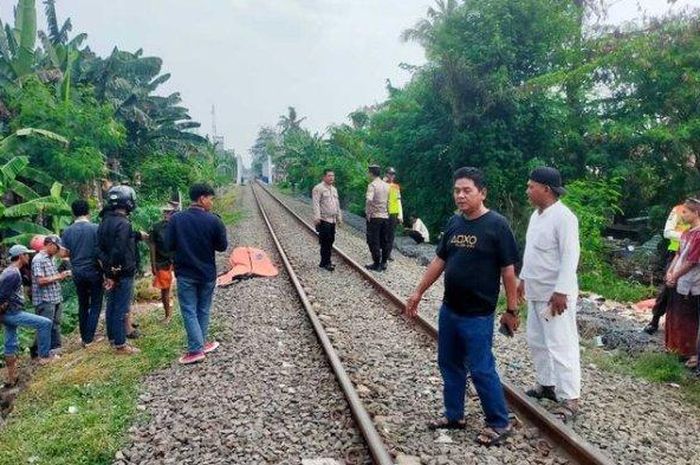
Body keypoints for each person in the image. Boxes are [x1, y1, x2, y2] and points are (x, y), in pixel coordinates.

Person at [405, 167, 519, 447]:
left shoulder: (497, 225)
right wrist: (418, 292)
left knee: (481, 369)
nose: (460, 195)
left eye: (467, 190)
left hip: (478, 315)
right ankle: (454, 416)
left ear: (482, 192)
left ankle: (499, 422)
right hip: (450, 310)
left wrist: (512, 309)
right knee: (449, 364)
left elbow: (508, 271)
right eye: (457, 190)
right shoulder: (455, 223)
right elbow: (440, 261)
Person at [519, 167, 581, 424]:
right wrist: (522, 279)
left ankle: (571, 398)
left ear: (546, 189)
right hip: (535, 289)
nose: (528, 190)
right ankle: (546, 384)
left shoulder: (564, 217)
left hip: (555, 294)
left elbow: (570, 255)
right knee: (536, 340)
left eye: (531, 186)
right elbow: (531, 251)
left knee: (561, 343)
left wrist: (562, 291)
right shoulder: (536, 215)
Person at [166, 183, 228, 365]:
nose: (212, 203)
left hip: (185, 273)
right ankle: (199, 345)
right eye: (210, 198)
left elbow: (168, 245)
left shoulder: (176, 219)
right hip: (207, 273)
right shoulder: (214, 220)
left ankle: (196, 348)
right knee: (202, 309)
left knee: (189, 310)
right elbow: (222, 246)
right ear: (202, 198)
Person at [97, 185, 146, 355]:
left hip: (110, 271)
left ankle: (112, 339)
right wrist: (114, 272)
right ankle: (120, 345)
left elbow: (101, 249)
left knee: (111, 306)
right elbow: (119, 249)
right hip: (122, 272)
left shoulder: (105, 221)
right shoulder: (123, 223)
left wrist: (107, 271)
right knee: (121, 308)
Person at [2, 245, 56, 387]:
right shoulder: (12, 274)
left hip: (8, 313)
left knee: (10, 343)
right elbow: (1, 296)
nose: (28, 257)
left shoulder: (11, 271)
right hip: (12, 313)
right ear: (20, 256)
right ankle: (44, 357)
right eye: (27, 255)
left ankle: (12, 377)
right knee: (45, 323)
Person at [61, 200, 104, 347]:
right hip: (94, 270)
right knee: (96, 303)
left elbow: (64, 254)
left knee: (83, 303)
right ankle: (89, 338)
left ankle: (84, 335)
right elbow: (101, 252)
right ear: (88, 212)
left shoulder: (67, 231)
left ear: (73, 213)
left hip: (77, 271)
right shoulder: (95, 228)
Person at [643, 202, 690, 335]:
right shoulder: (680, 210)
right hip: (677, 252)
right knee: (669, 287)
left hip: (695, 255)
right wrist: (689, 237)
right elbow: (668, 232)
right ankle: (655, 320)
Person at [663, 198, 700, 361]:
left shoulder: (698, 235)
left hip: (691, 283)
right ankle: (674, 349)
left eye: (685, 212)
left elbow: (692, 261)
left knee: (687, 319)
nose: (682, 215)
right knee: (673, 315)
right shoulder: (686, 233)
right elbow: (678, 254)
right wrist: (670, 272)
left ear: (696, 213)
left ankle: (687, 353)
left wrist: (675, 275)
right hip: (678, 280)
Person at [30, 236, 71, 356]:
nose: (57, 250)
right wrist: (60, 276)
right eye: (56, 247)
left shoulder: (51, 258)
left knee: (55, 324)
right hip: (45, 299)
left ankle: (56, 348)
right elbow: (40, 281)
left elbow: (52, 276)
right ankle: (40, 352)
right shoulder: (38, 260)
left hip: (55, 296)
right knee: (45, 326)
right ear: (50, 245)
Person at [149, 203, 178, 321]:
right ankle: (168, 315)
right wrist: (153, 263)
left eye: (170, 212)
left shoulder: (177, 226)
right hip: (162, 262)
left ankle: (170, 315)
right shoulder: (156, 227)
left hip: (175, 260)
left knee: (178, 287)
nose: (168, 214)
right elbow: (152, 246)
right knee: (165, 289)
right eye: (166, 211)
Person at [312, 169, 342, 271]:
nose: (331, 178)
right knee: (325, 241)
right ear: (324, 177)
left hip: (332, 220)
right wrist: (317, 217)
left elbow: (337, 204)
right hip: (324, 219)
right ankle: (326, 262)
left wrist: (339, 217)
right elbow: (316, 204)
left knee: (331, 240)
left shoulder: (334, 189)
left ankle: (325, 262)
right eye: (329, 176)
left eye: (333, 176)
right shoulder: (318, 188)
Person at [365, 164, 391, 271]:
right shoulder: (387, 186)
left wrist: (368, 213)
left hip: (375, 217)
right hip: (385, 217)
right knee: (384, 240)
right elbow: (389, 202)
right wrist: (387, 213)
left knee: (373, 240)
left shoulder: (372, 185)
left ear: (371, 173)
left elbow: (369, 200)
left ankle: (376, 263)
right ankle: (384, 262)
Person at [385, 167, 403, 261]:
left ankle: (388, 253)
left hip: (393, 213)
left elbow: (398, 201)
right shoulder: (382, 184)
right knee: (383, 234)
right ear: (386, 174)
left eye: (393, 174)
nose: (392, 176)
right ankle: (381, 252)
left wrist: (400, 215)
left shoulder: (396, 187)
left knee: (391, 235)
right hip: (383, 213)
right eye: (390, 173)